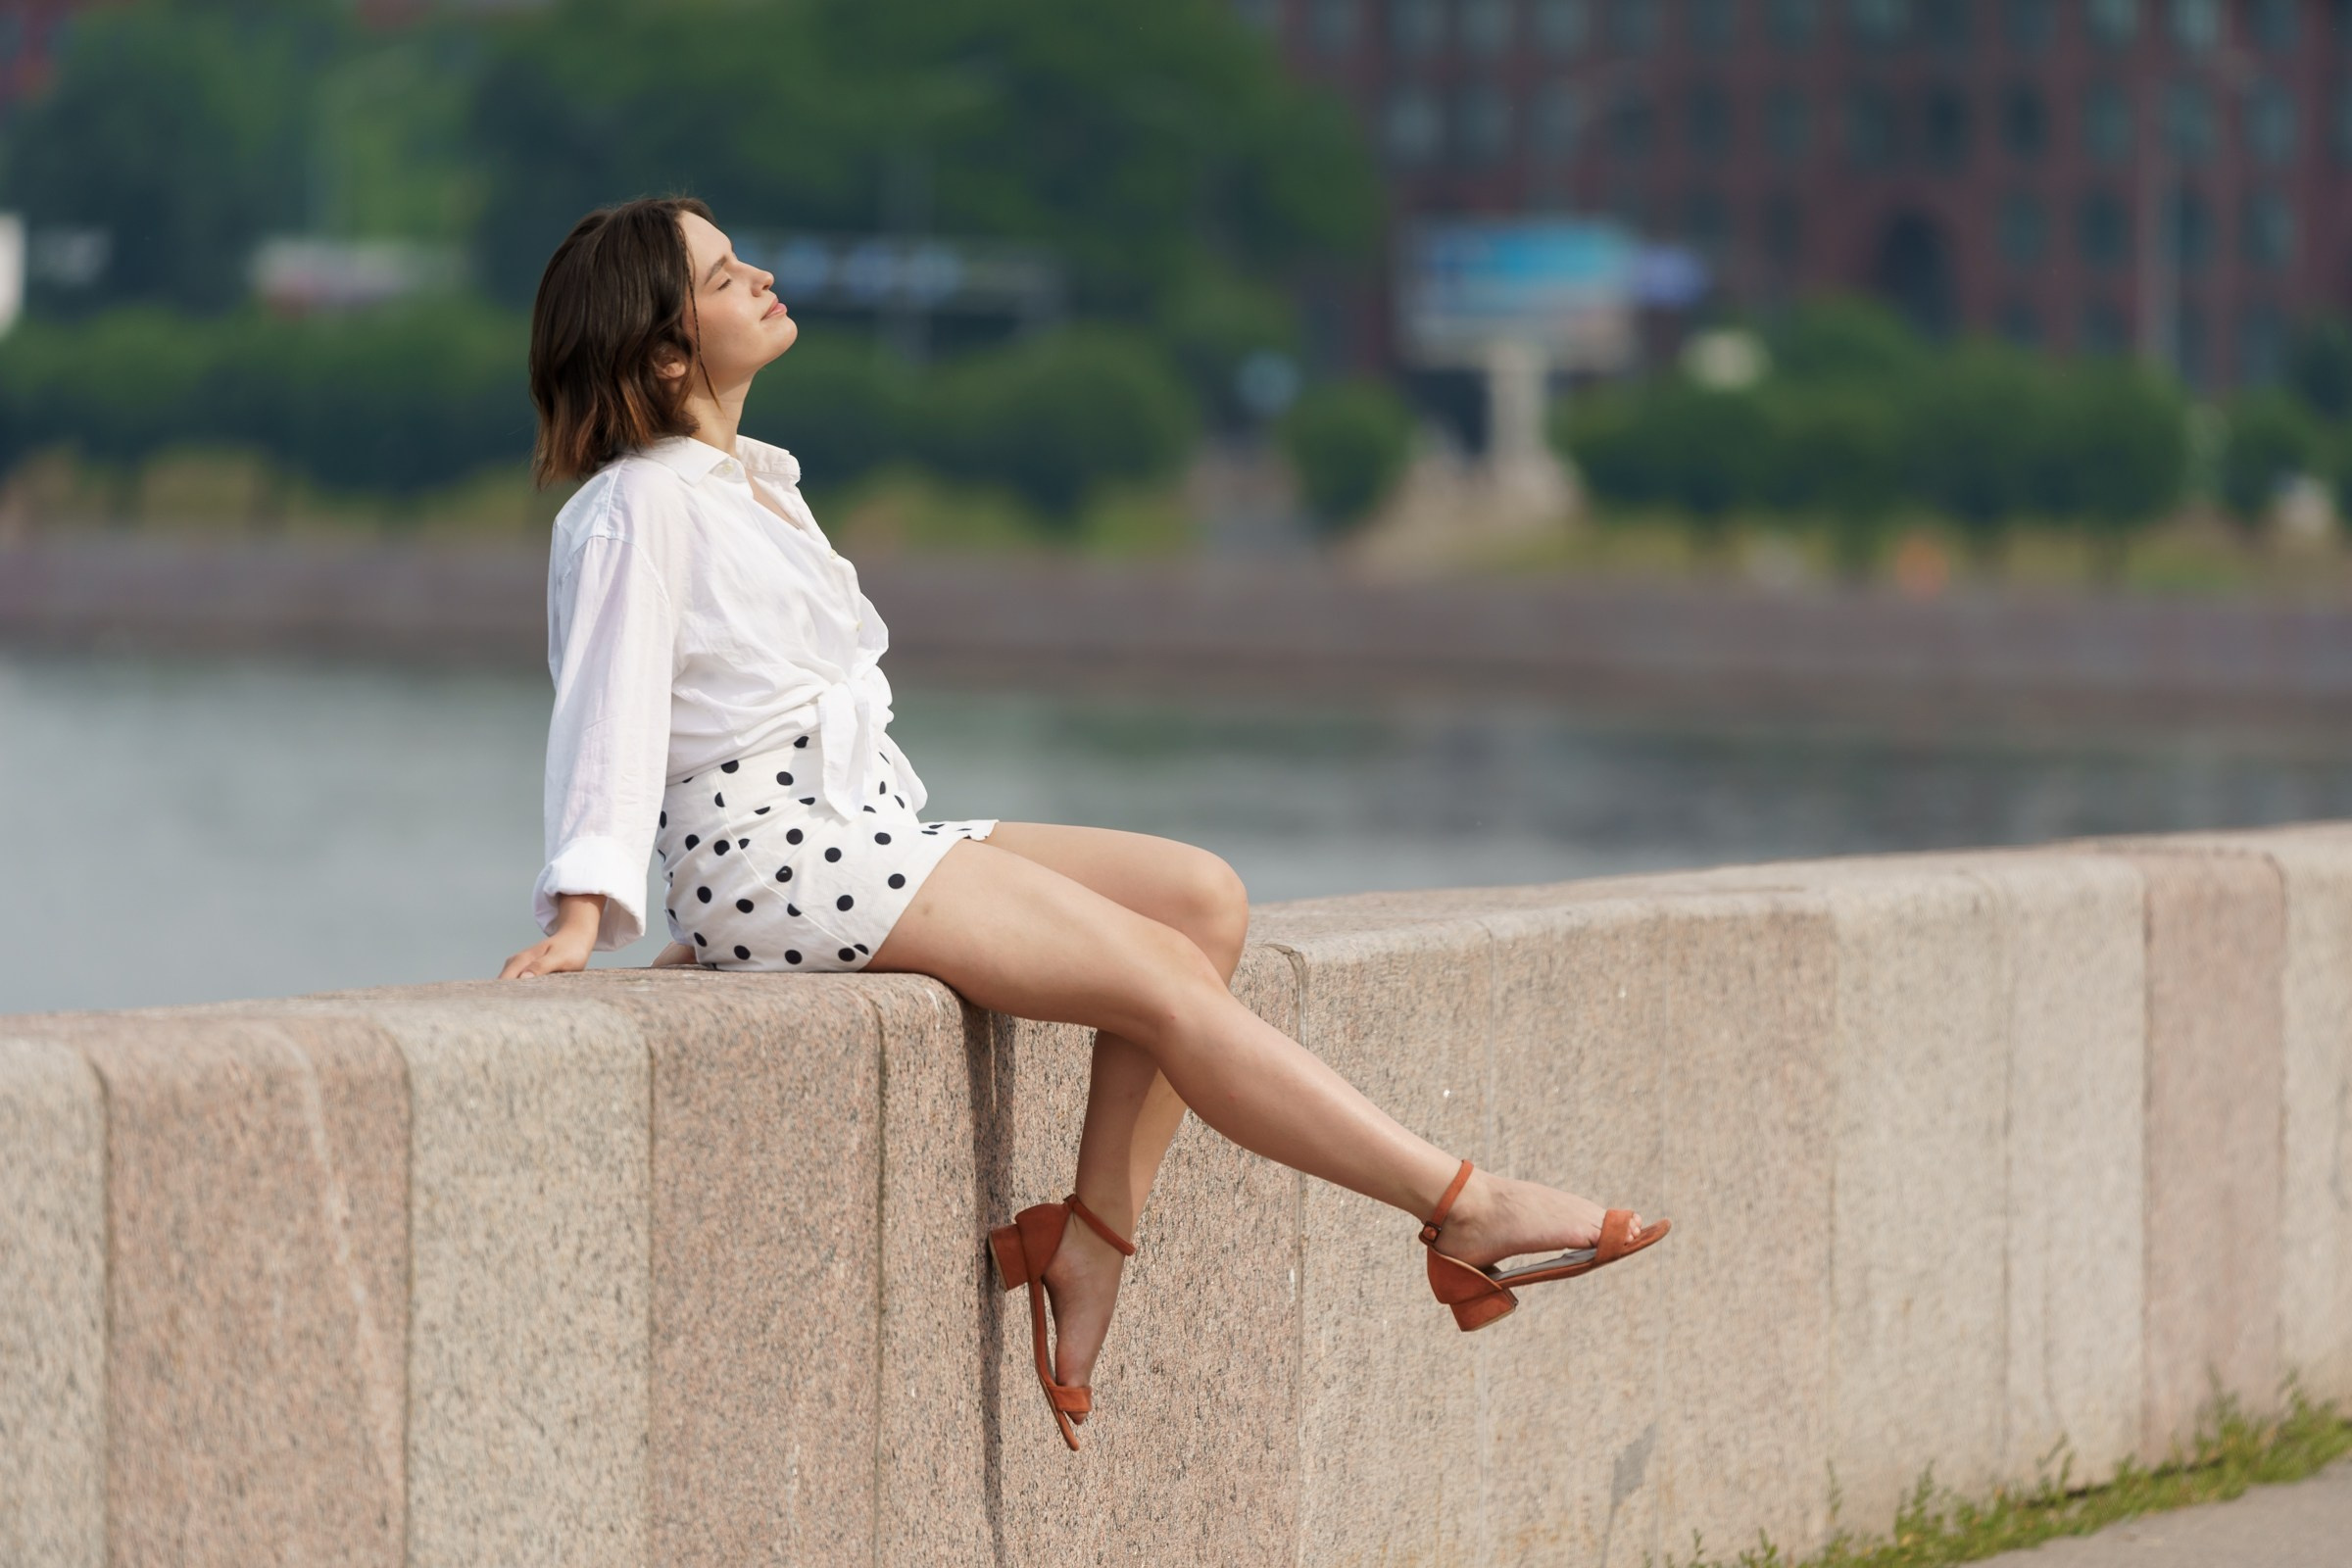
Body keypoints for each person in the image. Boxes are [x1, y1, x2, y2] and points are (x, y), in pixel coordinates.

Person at [497, 196, 1667, 1452]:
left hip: (851, 833)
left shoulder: (756, 487)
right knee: (1163, 979)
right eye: (728, 276)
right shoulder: (637, 506)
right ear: (669, 354)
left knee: (1200, 898)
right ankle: (1462, 1202)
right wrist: (587, 910)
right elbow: (608, 706)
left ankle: (1094, 1233)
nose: (765, 276)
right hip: (780, 857)